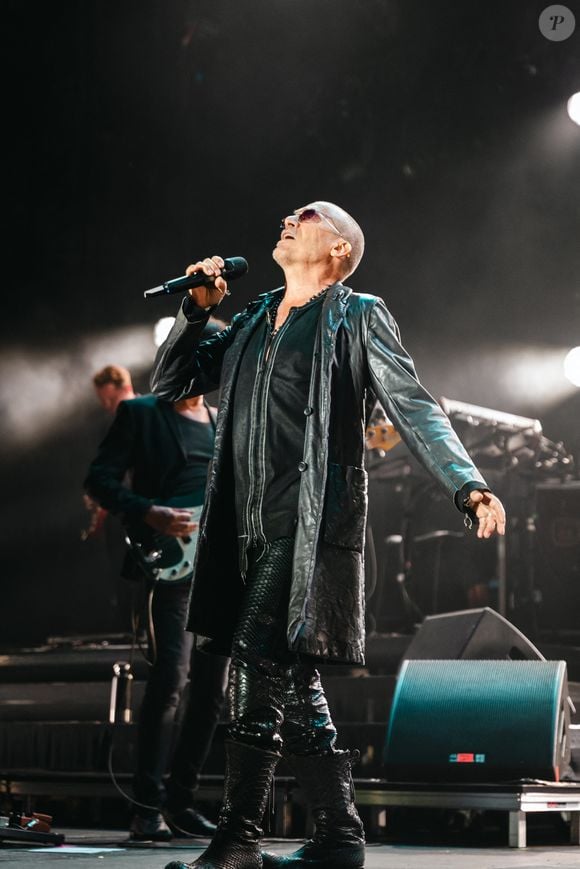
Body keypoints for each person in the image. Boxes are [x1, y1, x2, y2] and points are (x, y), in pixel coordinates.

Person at [150, 201, 506, 869]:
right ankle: (339, 835)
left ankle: (238, 838)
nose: (289, 215)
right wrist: (195, 314)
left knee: (255, 660)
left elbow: (412, 402)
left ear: (338, 250)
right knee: (294, 676)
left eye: (307, 215)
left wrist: (468, 482)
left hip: (307, 522)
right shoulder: (253, 317)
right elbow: (171, 383)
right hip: (245, 527)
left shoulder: (357, 313)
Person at [84, 320, 231, 842]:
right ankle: (146, 807)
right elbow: (98, 480)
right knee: (171, 679)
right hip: (169, 564)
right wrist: (148, 512)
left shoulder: (222, 418)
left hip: (218, 567)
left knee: (213, 692)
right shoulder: (139, 412)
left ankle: (182, 802)